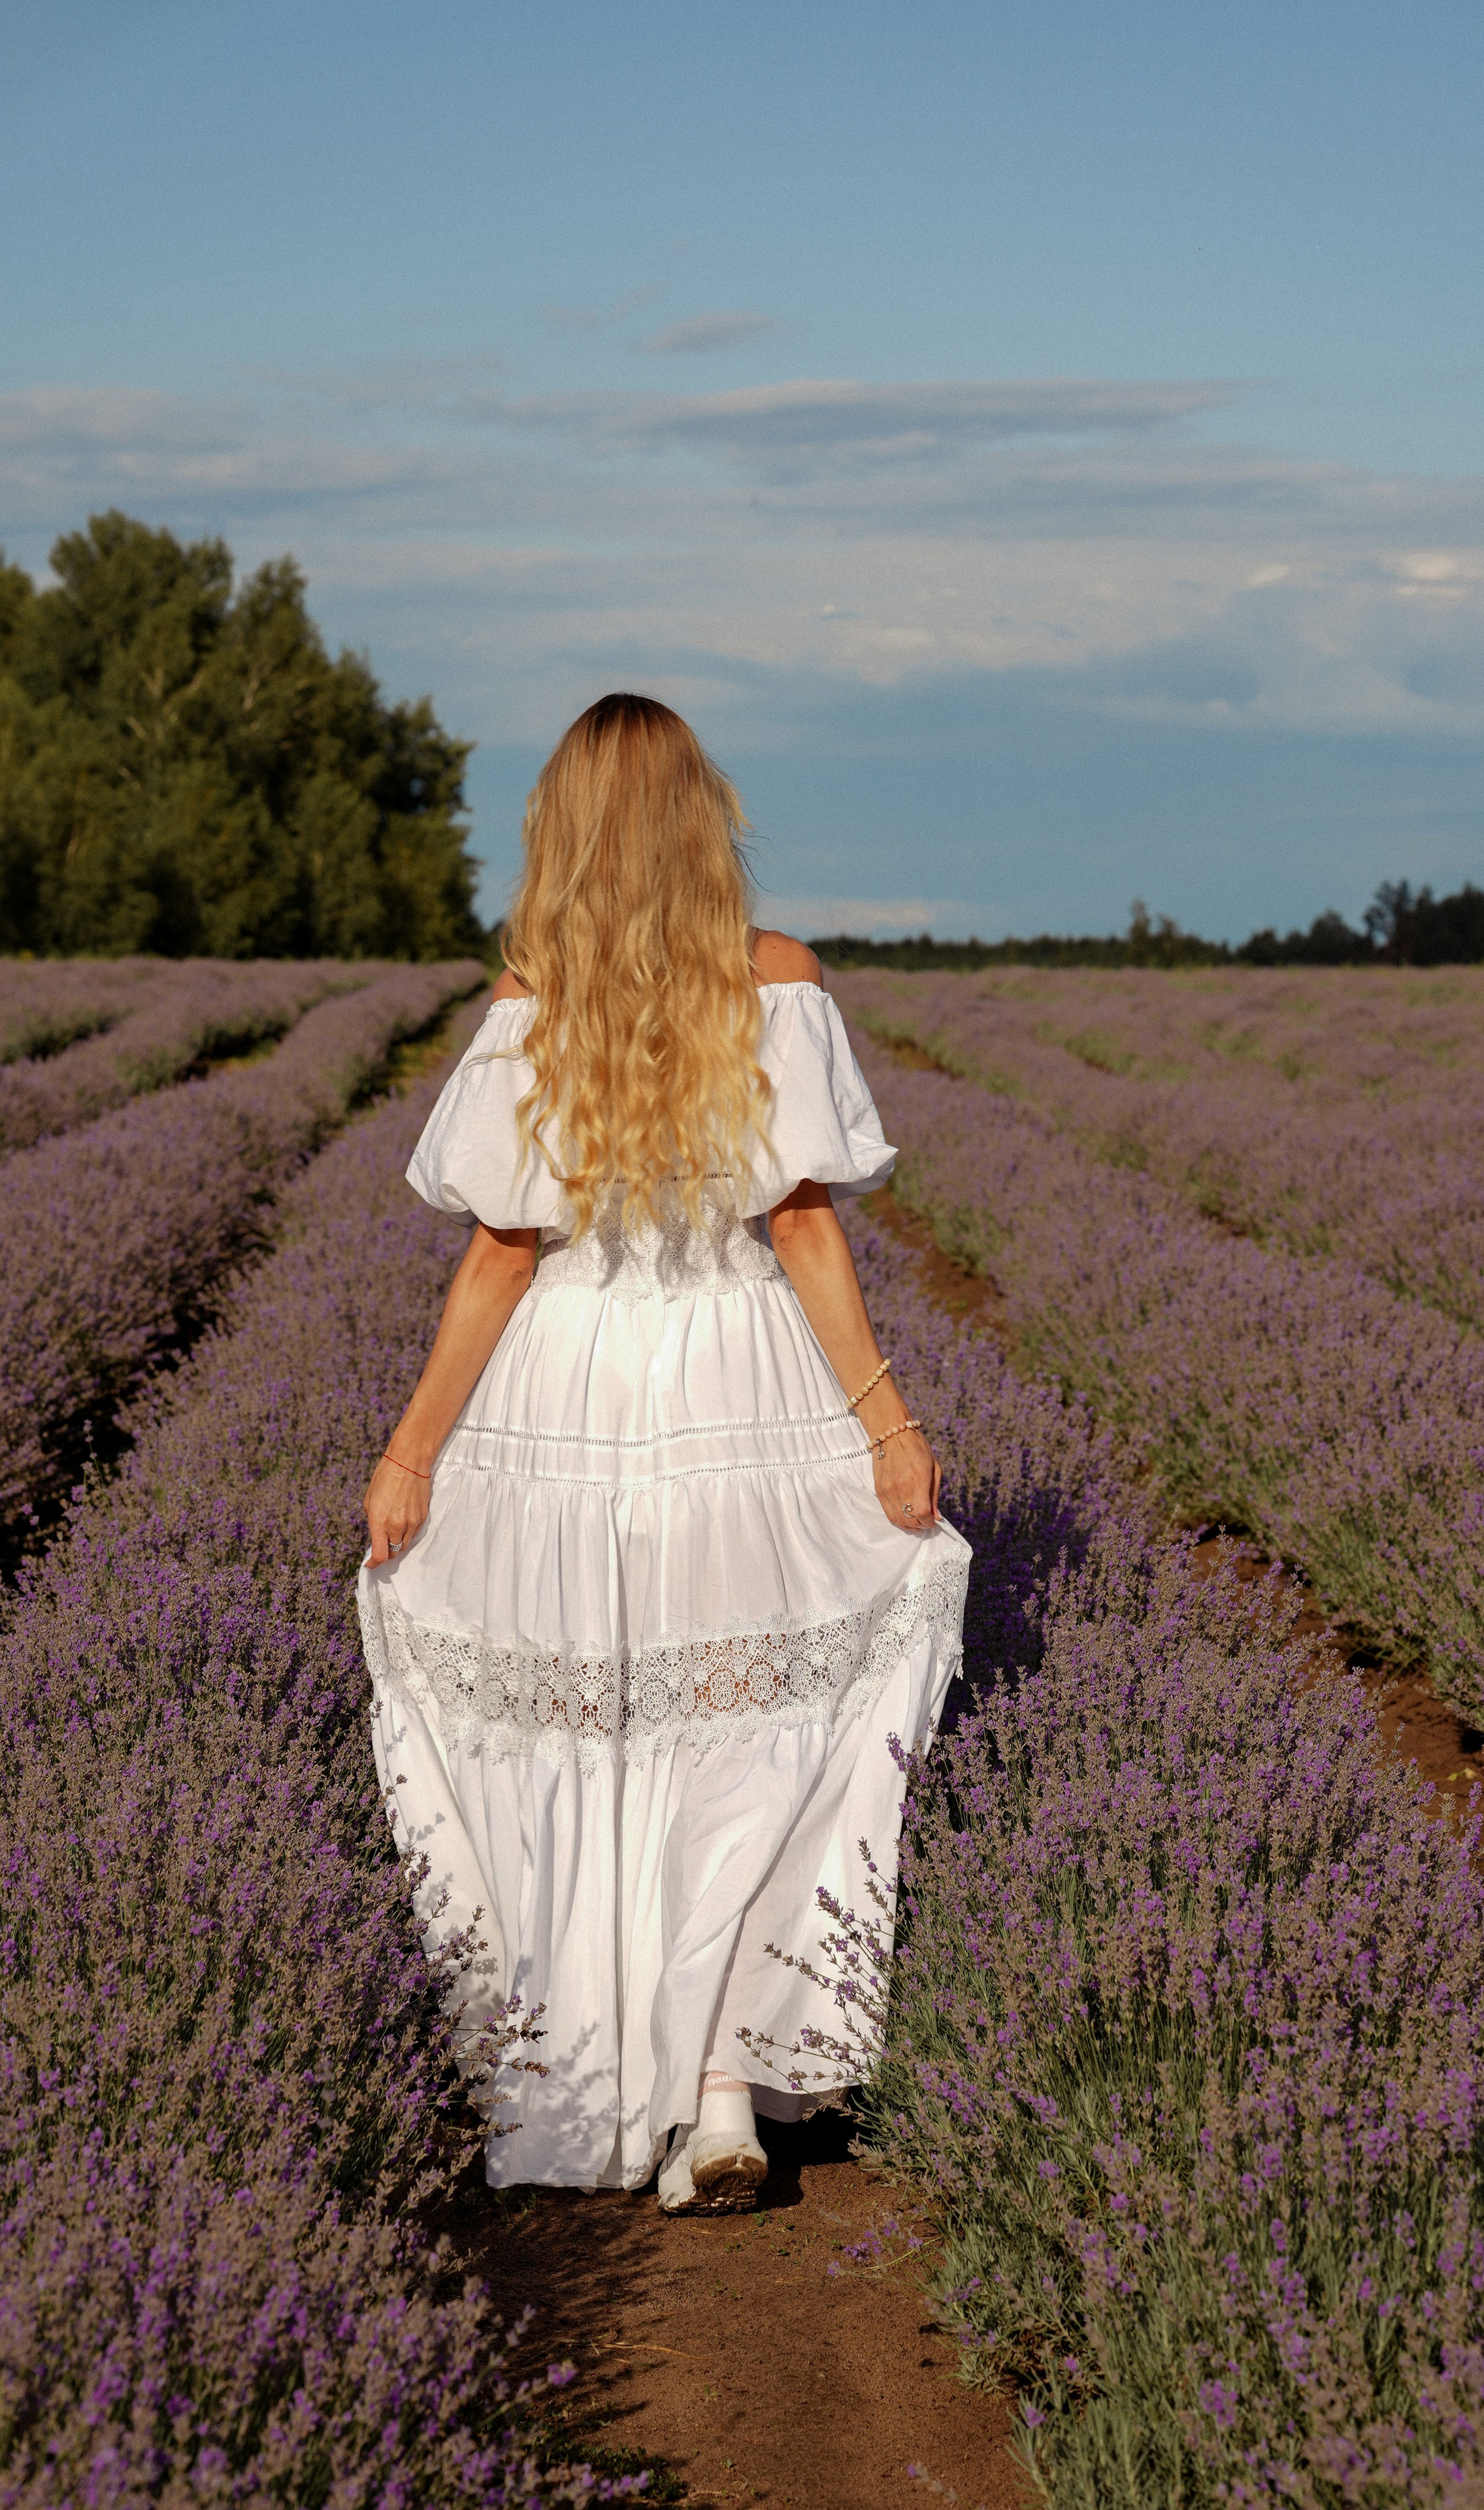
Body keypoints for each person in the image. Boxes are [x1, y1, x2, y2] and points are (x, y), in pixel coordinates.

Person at [357, 693, 970, 2213]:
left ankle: (578, 2074)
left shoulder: (528, 1004)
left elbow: (504, 1254)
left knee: (592, 1732)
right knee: (745, 1736)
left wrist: (412, 1451)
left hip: (564, 1395)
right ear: (704, 820)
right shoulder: (776, 984)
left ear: (560, 831)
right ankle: (716, 2105)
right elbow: (805, 1225)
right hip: (731, 1383)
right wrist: (884, 1421)